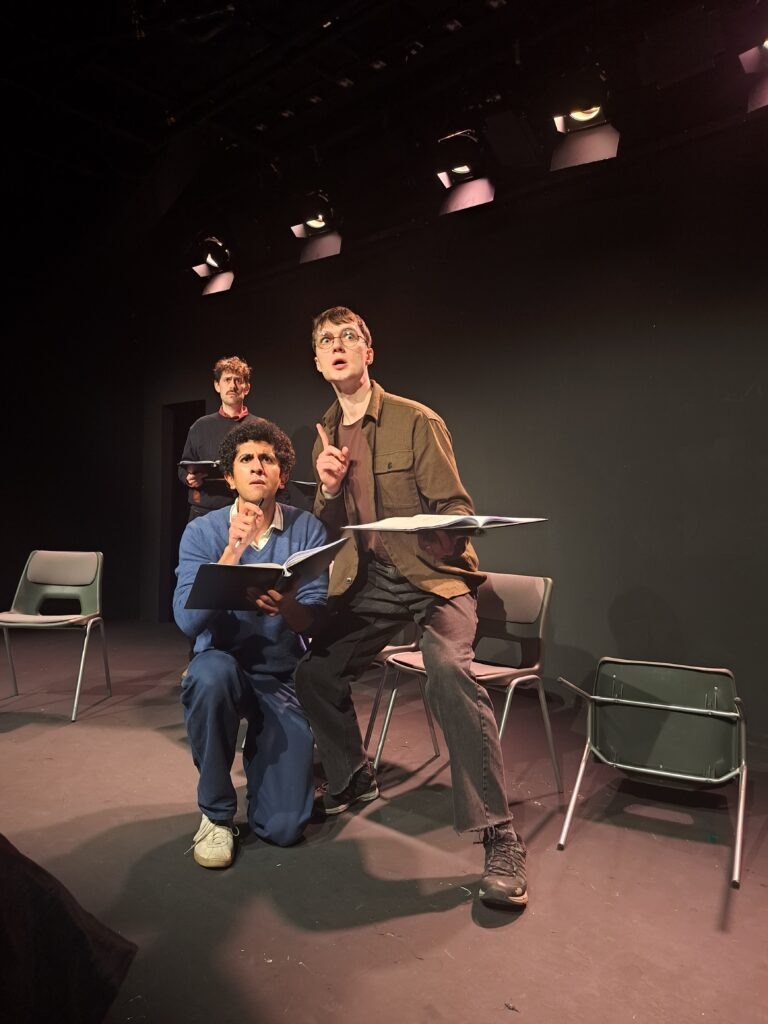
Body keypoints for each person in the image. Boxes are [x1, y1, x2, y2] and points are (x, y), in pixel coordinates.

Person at [294, 305, 528, 910]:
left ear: (368, 352)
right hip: (370, 583)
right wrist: (326, 490)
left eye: (349, 336)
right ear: (318, 361)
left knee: (448, 670)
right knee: (314, 671)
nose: (338, 345)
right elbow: (328, 531)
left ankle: (499, 835)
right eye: (326, 340)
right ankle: (351, 775)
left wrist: (438, 531)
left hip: (433, 578)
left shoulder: (415, 419)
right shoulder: (324, 433)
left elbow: (457, 507)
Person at [173, 419, 329, 868]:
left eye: (267, 459)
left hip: (279, 675)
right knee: (209, 677)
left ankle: (267, 759)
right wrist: (232, 554)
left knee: (284, 829)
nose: (257, 466)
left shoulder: (307, 529)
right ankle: (216, 814)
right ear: (229, 476)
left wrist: (288, 607)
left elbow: (315, 621)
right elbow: (187, 621)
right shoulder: (202, 532)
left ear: (282, 474)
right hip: (222, 665)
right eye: (246, 459)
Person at [179, 355, 261, 521]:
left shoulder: (260, 427)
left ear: (247, 388)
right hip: (204, 513)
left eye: (238, 380)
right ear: (217, 386)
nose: (232, 385)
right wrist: (188, 478)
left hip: (246, 512)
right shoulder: (200, 426)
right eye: (227, 380)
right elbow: (183, 467)